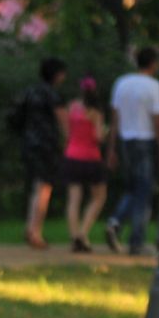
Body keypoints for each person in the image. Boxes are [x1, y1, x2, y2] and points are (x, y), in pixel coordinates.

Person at [103, 46, 159, 257]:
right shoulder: (154, 86)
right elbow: (157, 120)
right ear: (153, 64)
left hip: (126, 140)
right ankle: (136, 241)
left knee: (132, 188)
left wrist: (111, 148)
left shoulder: (122, 83)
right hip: (145, 140)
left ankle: (115, 222)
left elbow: (114, 119)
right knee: (144, 191)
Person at [12, 57, 67, 249]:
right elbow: (63, 122)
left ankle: (30, 227)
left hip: (29, 143)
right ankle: (35, 231)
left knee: (36, 186)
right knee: (44, 187)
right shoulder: (52, 95)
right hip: (47, 145)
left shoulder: (30, 92)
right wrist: (67, 141)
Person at [61, 77, 110, 253]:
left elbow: (67, 132)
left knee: (74, 199)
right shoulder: (95, 112)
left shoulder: (72, 107)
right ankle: (83, 233)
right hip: (91, 158)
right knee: (99, 197)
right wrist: (105, 131)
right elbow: (98, 137)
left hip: (72, 155)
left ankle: (74, 237)